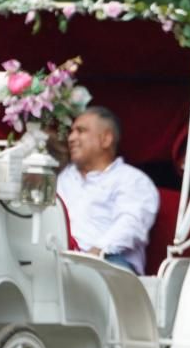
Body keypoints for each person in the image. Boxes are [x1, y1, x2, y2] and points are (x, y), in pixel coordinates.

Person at [56, 106, 159, 274]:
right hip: (60, 262)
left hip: (109, 263)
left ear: (106, 139)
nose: (71, 138)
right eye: (71, 131)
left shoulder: (132, 179)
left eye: (81, 131)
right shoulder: (64, 178)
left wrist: (95, 253)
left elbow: (131, 223)